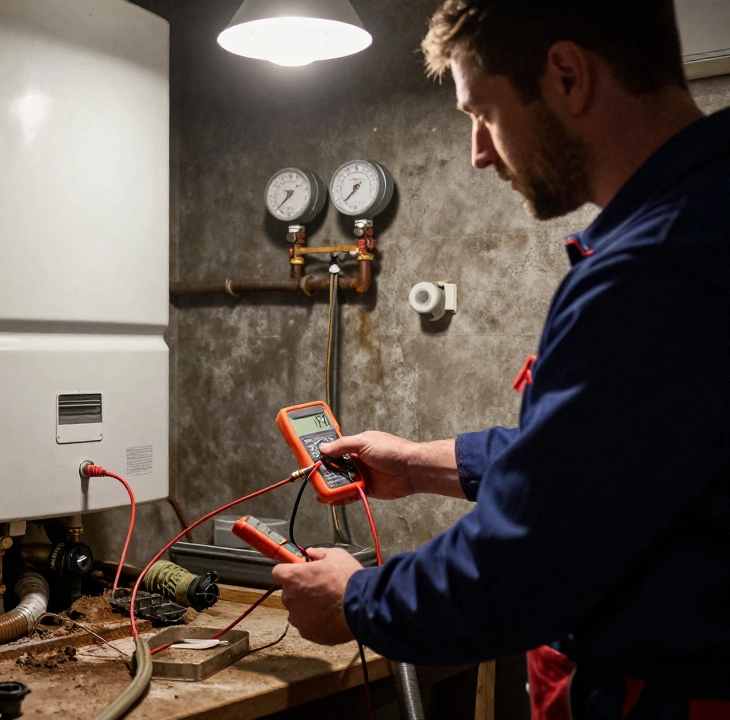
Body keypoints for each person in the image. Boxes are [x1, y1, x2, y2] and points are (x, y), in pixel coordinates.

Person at [271, 1, 730, 718]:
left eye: (483, 113)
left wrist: (355, 599)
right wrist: (421, 464)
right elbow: (609, 459)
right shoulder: (707, 214)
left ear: (568, 75)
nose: (479, 153)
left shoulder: (653, 270)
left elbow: (526, 563)